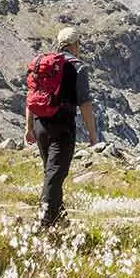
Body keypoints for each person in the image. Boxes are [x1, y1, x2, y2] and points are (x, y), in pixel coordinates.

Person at [24, 26, 99, 228]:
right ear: (75, 45)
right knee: (56, 173)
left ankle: (59, 217)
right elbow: (85, 103)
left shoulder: (44, 64)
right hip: (62, 125)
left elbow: (31, 97)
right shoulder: (78, 67)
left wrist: (28, 127)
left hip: (40, 124)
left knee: (51, 171)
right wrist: (92, 134)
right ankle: (44, 220)